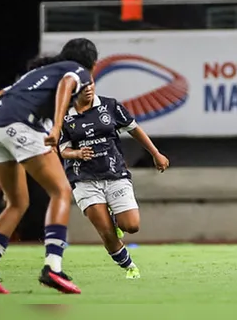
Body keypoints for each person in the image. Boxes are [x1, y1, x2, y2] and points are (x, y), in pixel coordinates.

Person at [0, 37, 99, 295]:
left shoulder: (38, 73)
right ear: (91, 64)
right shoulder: (77, 71)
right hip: (19, 125)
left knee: (17, 203)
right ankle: (53, 266)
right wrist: (57, 126)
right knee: (61, 191)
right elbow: (67, 84)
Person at [59, 78, 169, 280]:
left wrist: (156, 153)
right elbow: (63, 150)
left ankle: (116, 218)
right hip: (84, 179)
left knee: (132, 226)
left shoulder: (110, 105)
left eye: (91, 83)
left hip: (114, 173)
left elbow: (134, 128)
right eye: (84, 86)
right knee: (107, 232)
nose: (89, 88)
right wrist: (76, 154)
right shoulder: (64, 115)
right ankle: (130, 267)